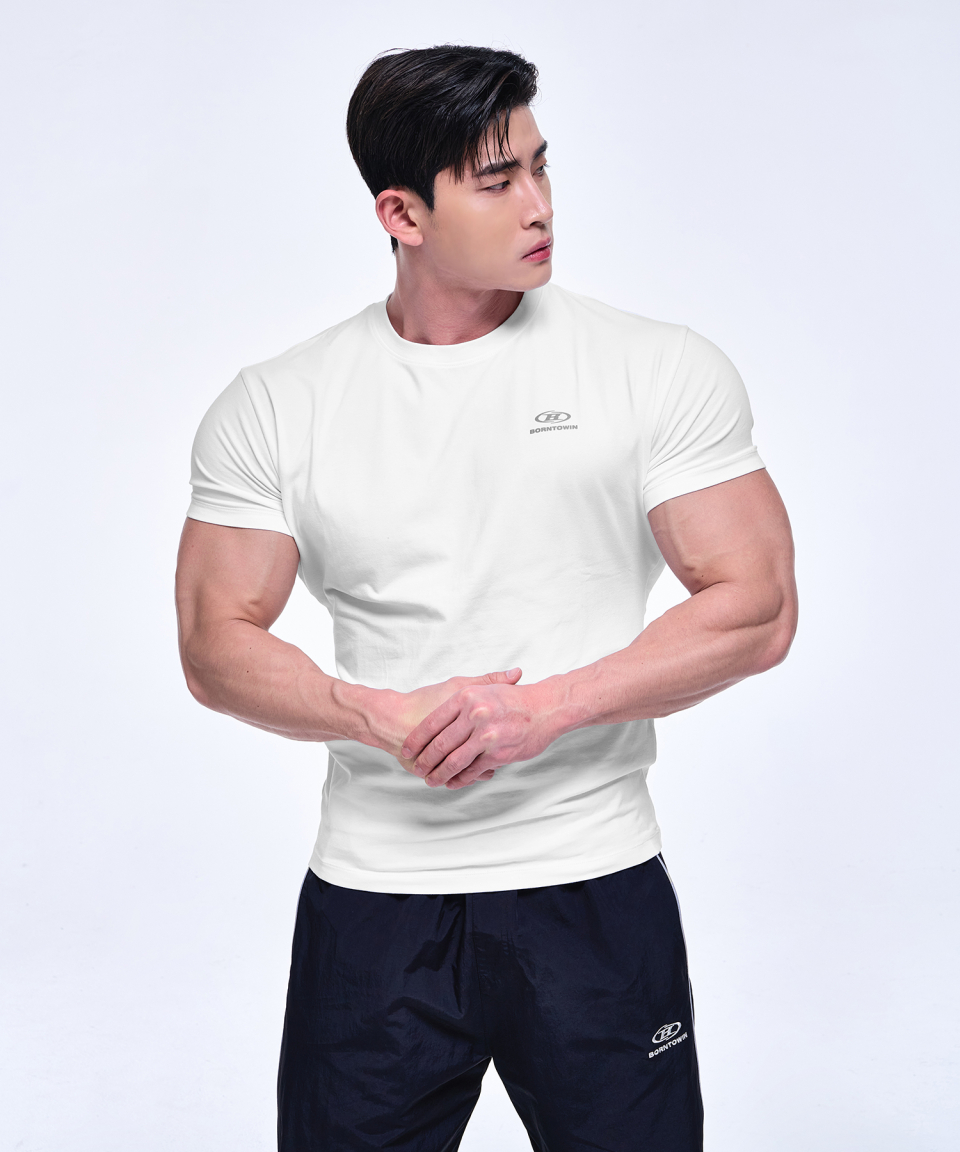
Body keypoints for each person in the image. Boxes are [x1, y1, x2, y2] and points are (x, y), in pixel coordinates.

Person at [175, 44, 797, 1152]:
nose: (540, 205)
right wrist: (377, 714)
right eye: (496, 180)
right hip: (373, 899)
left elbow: (758, 606)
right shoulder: (278, 404)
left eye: (541, 166)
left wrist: (542, 710)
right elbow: (213, 642)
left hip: (591, 884)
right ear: (401, 215)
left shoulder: (653, 367)